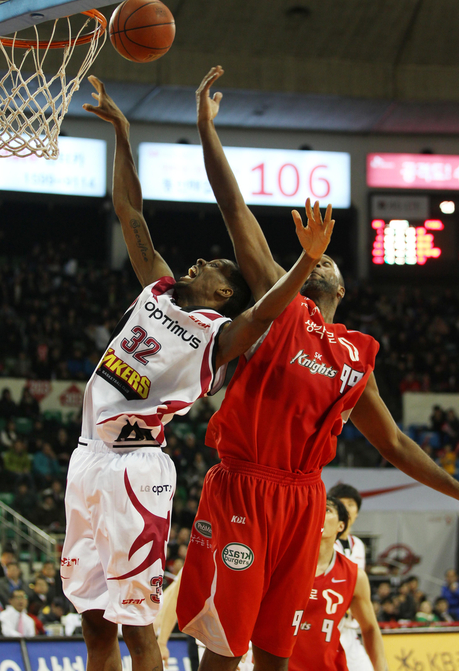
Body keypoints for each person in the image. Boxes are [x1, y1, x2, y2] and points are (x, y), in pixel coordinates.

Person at [177, 65, 459, 671]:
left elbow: (397, 445)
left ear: (344, 288)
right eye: (312, 256)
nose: (321, 258)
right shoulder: (281, 307)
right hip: (245, 486)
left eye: (328, 256)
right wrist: (206, 126)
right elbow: (234, 208)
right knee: (225, 648)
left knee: (279, 653)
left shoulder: (358, 354)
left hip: (305, 500)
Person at [61, 75, 335, 671]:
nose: (199, 260)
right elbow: (130, 210)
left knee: (139, 632)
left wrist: (306, 262)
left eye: (212, 264)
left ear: (223, 291)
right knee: (94, 626)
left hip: (136, 473)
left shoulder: (218, 337)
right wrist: (124, 134)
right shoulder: (157, 288)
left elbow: (268, 310)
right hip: (87, 458)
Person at [288, 498, 387, 671]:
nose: (318, 513)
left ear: (341, 526)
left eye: (326, 510)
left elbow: (370, 628)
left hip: (328, 665)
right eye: (315, 509)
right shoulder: (282, 563)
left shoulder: (355, 576)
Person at [328, 484, 373, 671]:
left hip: (351, 627)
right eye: (342, 504)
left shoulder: (359, 545)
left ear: (358, 511)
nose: (347, 508)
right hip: (329, 624)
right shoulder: (324, 542)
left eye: (351, 504)